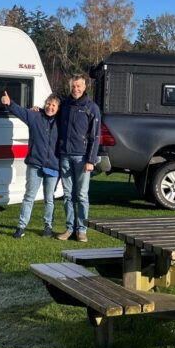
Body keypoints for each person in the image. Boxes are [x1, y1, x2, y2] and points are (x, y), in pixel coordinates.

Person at [1, 90, 61, 238]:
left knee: (49, 199)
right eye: (48, 104)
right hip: (35, 164)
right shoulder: (34, 116)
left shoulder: (61, 122)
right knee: (29, 197)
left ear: (58, 108)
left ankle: (48, 226)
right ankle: (21, 227)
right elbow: (21, 112)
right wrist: (10, 104)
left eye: (54, 105)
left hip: (53, 166)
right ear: (44, 104)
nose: (50, 107)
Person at [55, 74, 101, 242]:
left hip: (82, 158)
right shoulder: (65, 105)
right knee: (67, 195)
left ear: (84, 87)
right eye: (73, 86)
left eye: (78, 86)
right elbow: (51, 113)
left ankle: (81, 230)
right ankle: (69, 229)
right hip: (65, 156)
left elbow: (95, 137)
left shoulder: (91, 108)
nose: (75, 89)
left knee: (81, 195)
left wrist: (91, 160)